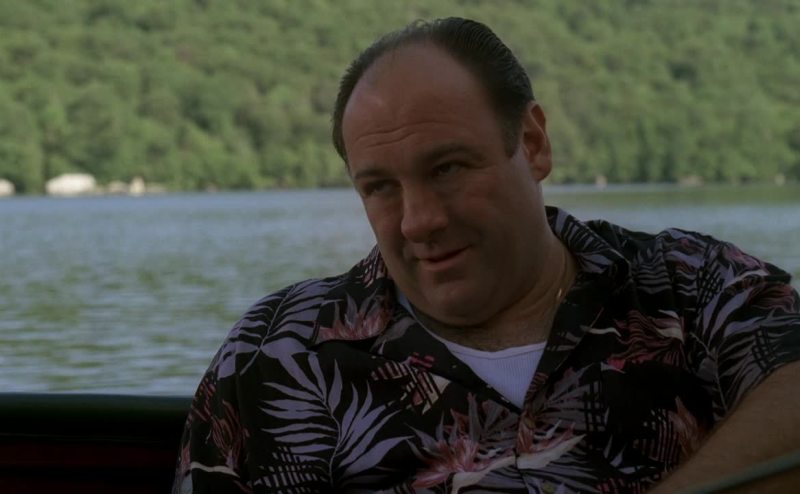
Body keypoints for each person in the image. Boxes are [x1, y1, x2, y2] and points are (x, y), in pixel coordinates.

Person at [173, 17, 800, 493]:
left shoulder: (693, 286)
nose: (419, 221)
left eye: (447, 168)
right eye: (380, 187)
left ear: (531, 143)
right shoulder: (275, 356)